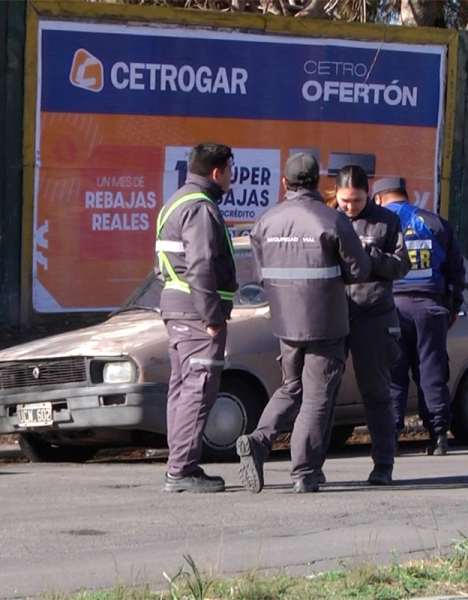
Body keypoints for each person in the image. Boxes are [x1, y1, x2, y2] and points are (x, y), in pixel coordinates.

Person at [236, 153, 371, 494]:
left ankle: (259, 440)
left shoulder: (266, 221)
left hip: (284, 322)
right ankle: (304, 471)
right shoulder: (330, 219)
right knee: (316, 397)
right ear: (318, 183)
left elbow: (260, 273)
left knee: (290, 388)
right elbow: (360, 270)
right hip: (325, 323)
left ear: (285, 184)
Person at [155, 142, 237, 493]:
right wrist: (212, 317)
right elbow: (201, 265)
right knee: (198, 389)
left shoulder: (174, 203)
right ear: (217, 172)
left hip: (177, 309)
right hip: (196, 312)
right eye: (230, 171)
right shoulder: (201, 209)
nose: (232, 178)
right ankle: (182, 470)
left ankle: (179, 464)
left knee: (182, 389)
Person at [324, 165, 410, 486]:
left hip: (373, 316)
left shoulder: (387, 221)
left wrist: (370, 257)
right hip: (333, 314)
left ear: (369, 194)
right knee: (323, 392)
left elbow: (402, 265)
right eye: (344, 201)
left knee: (376, 393)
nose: (349, 207)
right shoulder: (328, 219)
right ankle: (312, 465)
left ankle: (383, 464)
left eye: (356, 201)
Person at [373, 177, 466, 456]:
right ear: (406, 195)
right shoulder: (435, 223)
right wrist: (452, 309)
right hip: (431, 309)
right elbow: (456, 272)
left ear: (378, 198)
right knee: (432, 372)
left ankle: (392, 439)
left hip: (391, 310)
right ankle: (438, 437)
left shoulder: (379, 224)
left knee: (393, 374)